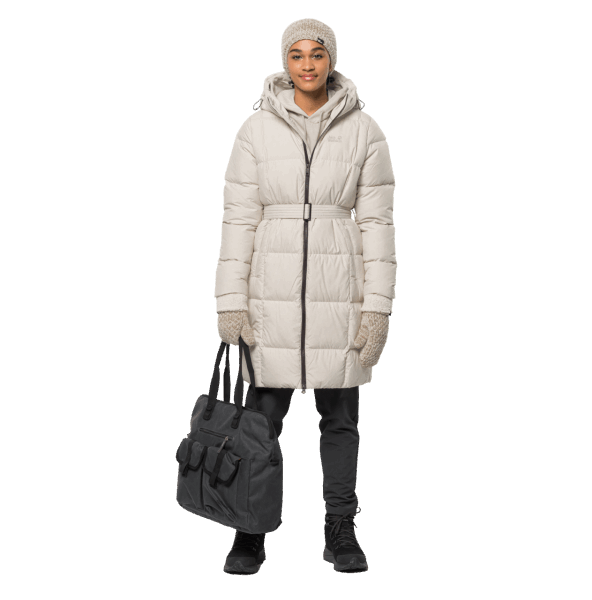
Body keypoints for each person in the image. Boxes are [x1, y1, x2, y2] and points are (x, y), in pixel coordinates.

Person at [215, 18, 396, 575]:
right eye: (297, 55)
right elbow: (238, 219)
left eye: (317, 53)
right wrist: (230, 300)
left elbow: (378, 224)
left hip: (340, 294)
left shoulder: (365, 130)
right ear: (285, 63)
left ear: (331, 60)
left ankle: (341, 529)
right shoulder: (255, 131)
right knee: (259, 423)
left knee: (340, 420)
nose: (308, 64)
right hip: (269, 296)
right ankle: (250, 531)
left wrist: (377, 307)